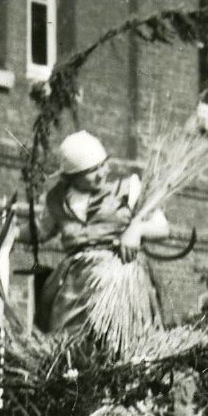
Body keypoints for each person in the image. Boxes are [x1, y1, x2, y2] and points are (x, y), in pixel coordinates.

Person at [33, 131, 170, 351]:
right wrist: (10, 232)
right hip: (76, 285)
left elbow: (163, 229)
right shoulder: (58, 200)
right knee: (69, 347)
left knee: (123, 345)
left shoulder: (128, 189)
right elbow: (40, 232)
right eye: (91, 171)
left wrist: (137, 228)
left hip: (119, 279)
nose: (102, 173)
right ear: (72, 177)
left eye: (103, 165)